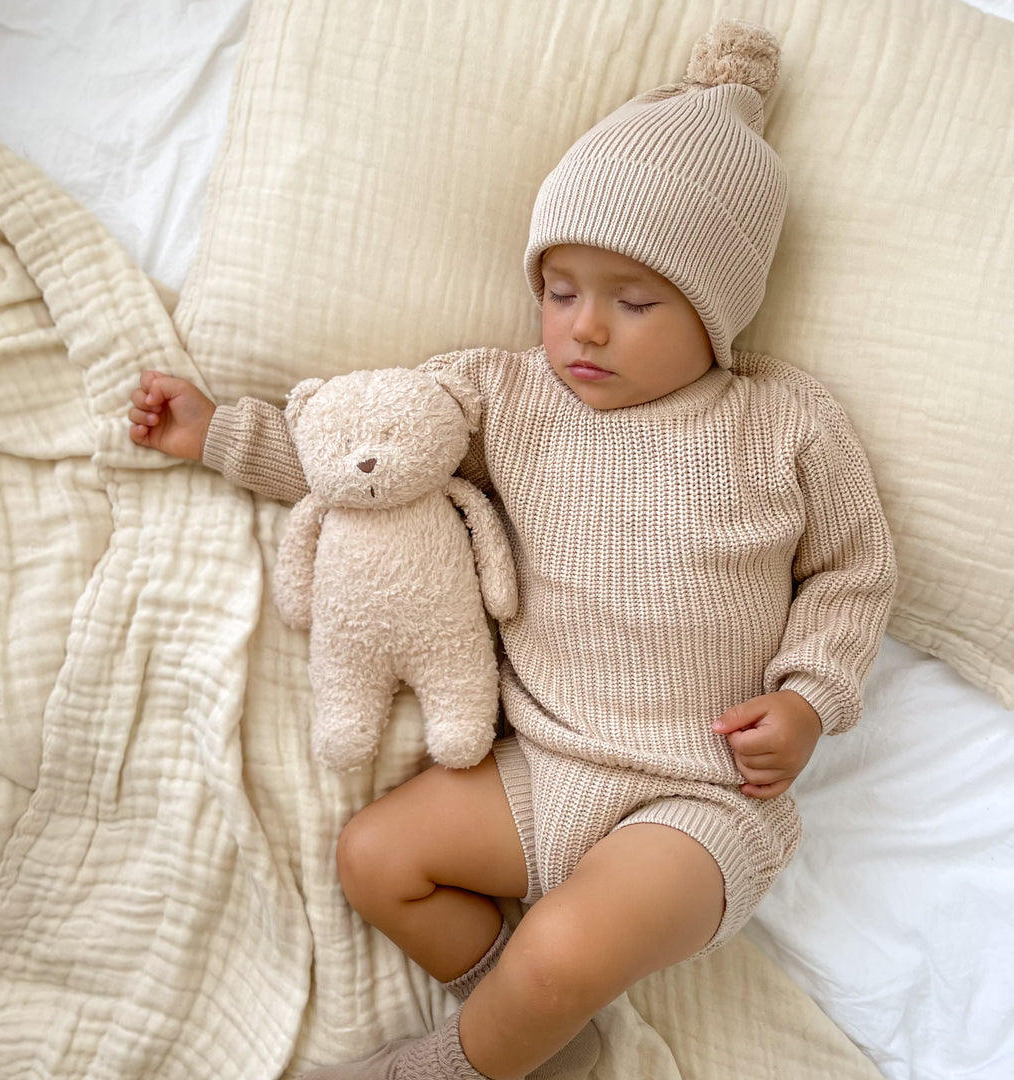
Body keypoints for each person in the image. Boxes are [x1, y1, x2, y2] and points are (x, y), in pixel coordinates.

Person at [128, 21, 896, 1080]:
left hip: (703, 799)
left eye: (635, 301)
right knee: (375, 859)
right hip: (536, 768)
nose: (583, 328)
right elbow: (368, 451)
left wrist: (811, 700)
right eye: (559, 289)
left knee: (565, 948)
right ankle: (542, 1035)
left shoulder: (785, 422)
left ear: (719, 309)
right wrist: (216, 431)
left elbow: (854, 573)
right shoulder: (504, 394)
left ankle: (449, 1063)